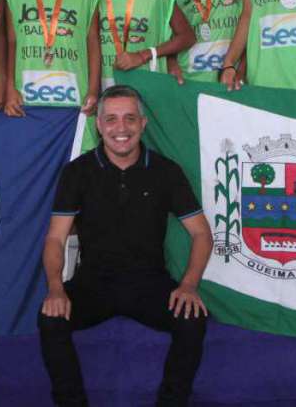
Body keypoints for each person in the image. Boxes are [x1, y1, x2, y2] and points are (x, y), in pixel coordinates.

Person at [38, 85, 211, 407]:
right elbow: (55, 238)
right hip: (93, 282)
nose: (121, 128)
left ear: (143, 124)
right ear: (99, 125)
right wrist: (55, 288)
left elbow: (202, 234)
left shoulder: (166, 171)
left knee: (193, 319)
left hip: (149, 283)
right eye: (112, 119)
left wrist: (188, 285)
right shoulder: (77, 172)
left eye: (130, 119)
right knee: (49, 319)